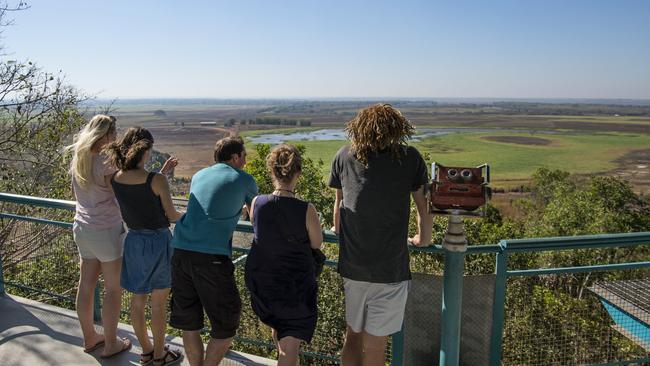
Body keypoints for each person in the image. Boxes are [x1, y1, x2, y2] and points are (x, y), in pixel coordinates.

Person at [328, 104, 434, 366]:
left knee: (352, 336)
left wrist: (337, 231)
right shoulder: (409, 158)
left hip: (353, 266)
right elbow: (424, 206)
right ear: (398, 130)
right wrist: (424, 239)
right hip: (390, 269)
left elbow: (340, 204)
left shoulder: (344, 155)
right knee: (375, 348)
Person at [170, 136, 258, 366]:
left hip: (180, 250)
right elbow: (256, 215)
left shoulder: (199, 175)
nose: (246, 160)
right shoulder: (244, 179)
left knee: (190, 324)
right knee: (226, 324)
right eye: (245, 156)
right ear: (236, 157)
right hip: (211, 258)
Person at [105, 127, 184, 366]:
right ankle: (161, 356)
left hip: (134, 242)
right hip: (159, 243)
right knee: (158, 304)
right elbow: (171, 215)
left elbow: (138, 196)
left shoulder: (115, 178)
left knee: (137, 301)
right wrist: (195, 216)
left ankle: (147, 351)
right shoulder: (156, 180)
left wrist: (161, 173)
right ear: (146, 149)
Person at [244, 144, 323, 366]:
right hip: (294, 287)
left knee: (281, 333)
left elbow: (259, 230)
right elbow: (316, 243)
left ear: (272, 171)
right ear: (297, 173)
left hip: (264, 282)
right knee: (290, 346)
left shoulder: (257, 202)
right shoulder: (306, 209)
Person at [66, 114, 132, 358]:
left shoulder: (80, 156)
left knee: (86, 285)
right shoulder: (106, 160)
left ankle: (90, 337)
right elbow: (120, 195)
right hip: (106, 231)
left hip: (82, 228)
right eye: (114, 133)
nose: (115, 138)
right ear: (105, 134)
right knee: (113, 290)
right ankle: (112, 343)